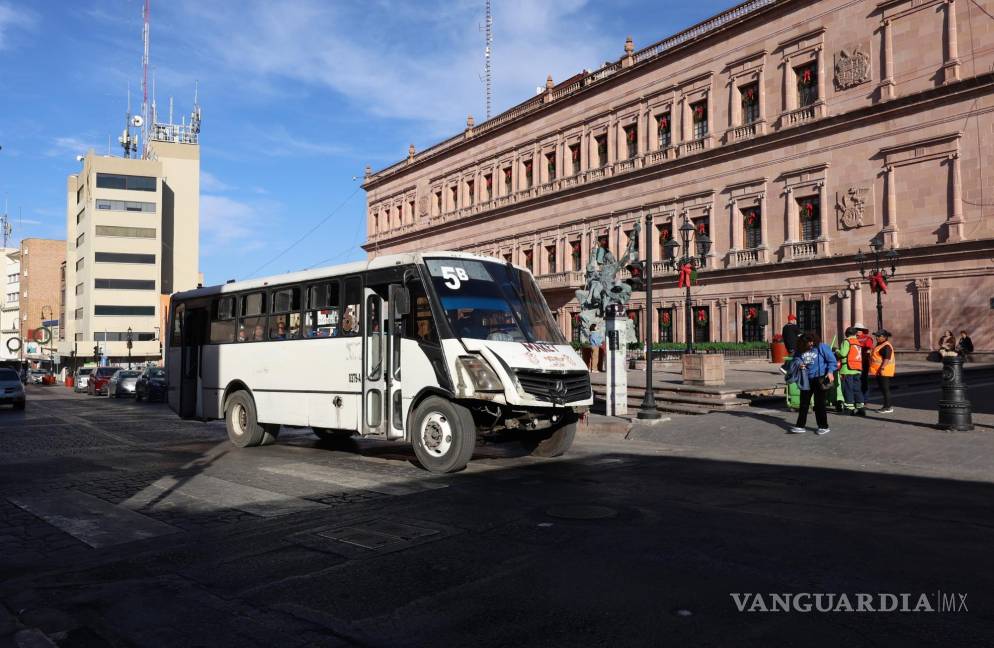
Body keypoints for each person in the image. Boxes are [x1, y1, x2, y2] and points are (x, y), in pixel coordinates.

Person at [788, 332, 836, 435]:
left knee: (820, 404)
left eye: (811, 341)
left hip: (820, 378)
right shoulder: (801, 349)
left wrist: (830, 372)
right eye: (807, 342)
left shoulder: (822, 347)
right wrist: (800, 363)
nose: (810, 344)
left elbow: (832, 361)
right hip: (806, 379)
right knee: (804, 403)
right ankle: (800, 426)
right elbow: (796, 358)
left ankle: (823, 426)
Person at [838, 326, 866, 416]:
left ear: (846, 334)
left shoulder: (847, 341)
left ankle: (849, 409)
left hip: (848, 369)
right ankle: (860, 408)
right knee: (857, 389)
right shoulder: (857, 342)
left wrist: (836, 351)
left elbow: (843, 354)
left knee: (848, 389)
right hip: (857, 369)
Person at [869, 329, 895, 413]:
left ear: (884, 337)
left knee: (885, 389)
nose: (876, 337)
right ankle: (886, 406)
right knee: (884, 389)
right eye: (876, 335)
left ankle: (888, 407)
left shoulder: (886, 346)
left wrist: (882, 368)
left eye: (878, 336)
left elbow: (886, 359)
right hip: (880, 371)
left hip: (884, 371)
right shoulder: (880, 344)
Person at [854, 324, 873, 405]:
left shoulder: (867, 338)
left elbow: (868, 349)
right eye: (856, 329)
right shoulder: (854, 338)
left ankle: (865, 400)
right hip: (855, 362)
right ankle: (859, 399)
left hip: (864, 362)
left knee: (864, 381)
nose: (857, 331)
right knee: (857, 381)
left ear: (862, 330)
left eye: (858, 329)